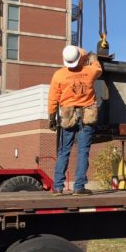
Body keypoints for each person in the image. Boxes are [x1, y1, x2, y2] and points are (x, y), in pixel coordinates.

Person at [48, 45, 102, 195]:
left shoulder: (59, 75)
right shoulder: (90, 71)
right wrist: (90, 56)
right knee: (83, 151)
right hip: (87, 116)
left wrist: (52, 117)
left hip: (68, 116)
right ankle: (79, 187)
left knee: (64, 151)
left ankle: (58, 187)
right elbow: (97, 66)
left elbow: (53, 98)